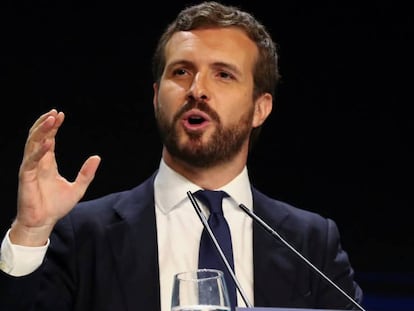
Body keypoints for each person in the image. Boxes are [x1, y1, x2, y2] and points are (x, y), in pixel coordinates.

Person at [0, 1, 364, 311]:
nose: (197, 90)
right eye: (181, 72)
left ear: (260, 108)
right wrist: (30, 233)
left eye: (223, 75)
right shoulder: (83, 234)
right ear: (157, 96)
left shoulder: (310, 243)